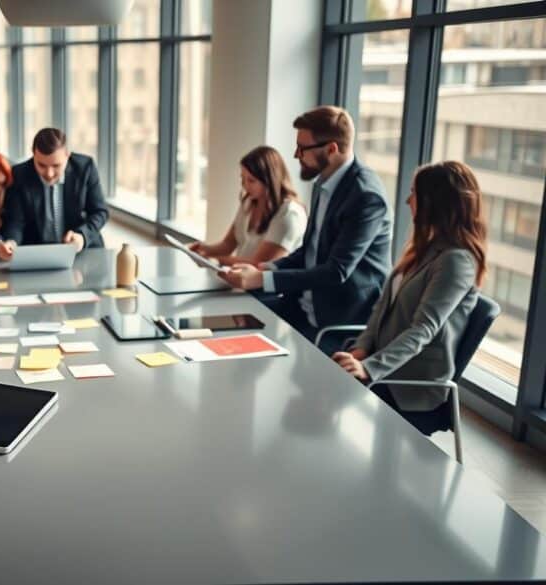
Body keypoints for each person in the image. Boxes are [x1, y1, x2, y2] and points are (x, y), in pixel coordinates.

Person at [332, 161, 487, 435]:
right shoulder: (423, 249)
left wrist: (368, 368)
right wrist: (361, 349)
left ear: (435, 202)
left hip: (412, 387)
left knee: (325, 404)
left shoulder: (456, 261)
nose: (407, 200)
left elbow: (422, 330)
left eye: (414, 193)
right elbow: (382, 307)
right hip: (385, 369)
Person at [222, 106, 392, 350]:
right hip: (303, 307)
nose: (295, 154)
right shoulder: (323, 182)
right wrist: (265, 267)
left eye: (303, 148)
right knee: (232, 325)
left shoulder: (366, 197)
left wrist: (263, 278)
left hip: (338, 321)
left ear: (331, 149)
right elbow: (310, 250)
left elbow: (336, 271)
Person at [0, 128, 109, 260]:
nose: (49, 174)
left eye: (56, 166)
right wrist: (11, 242)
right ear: (33, 154)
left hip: (83, 252)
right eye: (41, 165)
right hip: (38, 255)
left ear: (67, 155)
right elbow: (15, 221)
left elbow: (100, 212)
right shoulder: (19, 174)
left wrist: (82, 236)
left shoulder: (85, 167)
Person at [188, 145, 307, 266]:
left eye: (251, 180)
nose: (244, 185)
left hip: (266, 283)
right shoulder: (249, 202)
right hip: (242, 280)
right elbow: (228, 245)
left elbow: (261, 264)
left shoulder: (290, 214)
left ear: (270, 179)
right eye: (242, 179)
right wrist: (204, 249)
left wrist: (216, 260)